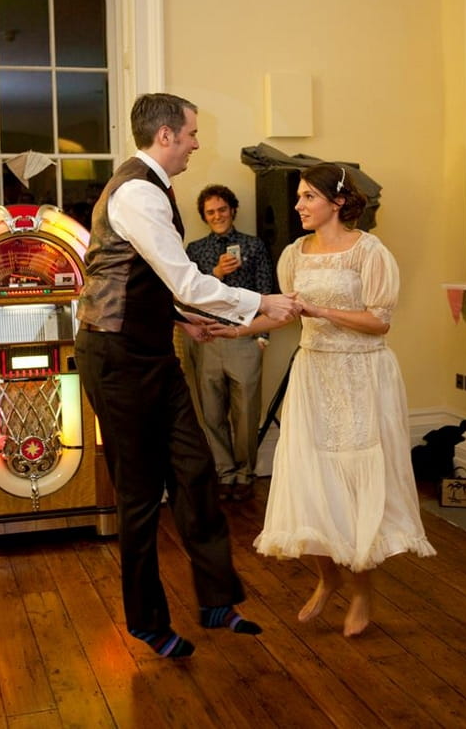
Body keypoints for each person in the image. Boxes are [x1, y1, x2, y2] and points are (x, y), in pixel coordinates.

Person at [74, 92, 300, 659]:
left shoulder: (152, 190)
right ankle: (148, 622)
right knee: (141, 493)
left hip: (153, 351)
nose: (198, 143)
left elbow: (148, 282)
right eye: (193, 133)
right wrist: (261, 304)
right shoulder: (136, 192)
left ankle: (216, 600)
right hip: (116, 356)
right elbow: (185, 281)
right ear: (167, 135)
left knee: (196, 472)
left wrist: (186, 323)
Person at [210, 162, 435, 637]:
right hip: (314, 373)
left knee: (355, 485)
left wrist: (319, 308)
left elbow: (379, 321)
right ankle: (327, 578)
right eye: (298, 197)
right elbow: (285, 315)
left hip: (361, 376)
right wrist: (233, 327)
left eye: (308, 197)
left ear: (336, 201)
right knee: (309, 480)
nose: (298, 206)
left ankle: (362, 593)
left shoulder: (370, 252)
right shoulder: (294, 254)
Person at [186, 185, 273, 502]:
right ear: (204, 217)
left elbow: (266, 289)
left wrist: (263, 336)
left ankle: (245, 473)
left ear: (232, 210)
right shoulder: (194, 250)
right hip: (207, 338)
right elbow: (188, 294)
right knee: (211, 413)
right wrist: (216, 273)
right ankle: (224, 474)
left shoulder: (254, 245)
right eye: (210, 212)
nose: (217, 216)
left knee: (246, 413)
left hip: (245, 337)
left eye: (222, 209)